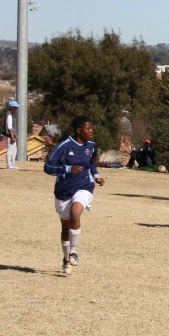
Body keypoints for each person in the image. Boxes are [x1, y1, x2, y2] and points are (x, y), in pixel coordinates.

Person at [43, 116, 104, 275]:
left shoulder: (91, 145)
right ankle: (65, 258)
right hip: (64, 190)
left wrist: (96, 176)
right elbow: (48, 167)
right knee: (65, 228)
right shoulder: (64, 146)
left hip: (84, 186)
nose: (91, 131)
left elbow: (91, 163)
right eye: (88, 128)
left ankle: (73, 252)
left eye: (92, 128)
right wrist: (68, 169)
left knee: (75, 213)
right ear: (78, 130)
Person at [4, 100, 19, 169]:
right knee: (10, 150)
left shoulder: (12, 114)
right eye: (15, 107)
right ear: (12, 107)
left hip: (12, 135)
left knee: (14, 150)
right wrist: (12, 137)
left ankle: (13, 163)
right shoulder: (9, 115)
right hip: (10, 135)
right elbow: (9, 127)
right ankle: (9, 164)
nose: (16, 109)